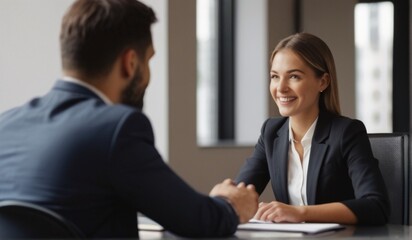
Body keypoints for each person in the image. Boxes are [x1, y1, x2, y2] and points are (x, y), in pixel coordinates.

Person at [0, 0, 258, 238]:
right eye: (149, 60)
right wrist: (231, 204)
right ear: (130, 63)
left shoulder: (6, 125)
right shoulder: (117, 127)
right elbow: (199, 221)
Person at [235, 32, 390, 225]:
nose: (280, 87)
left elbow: (376, 206)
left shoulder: (347, 132)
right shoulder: (271, 132)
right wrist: (225, 198)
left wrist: (300, 213)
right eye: (275, 76)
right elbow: (241, 194)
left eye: (294, 76)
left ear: (322, 82)